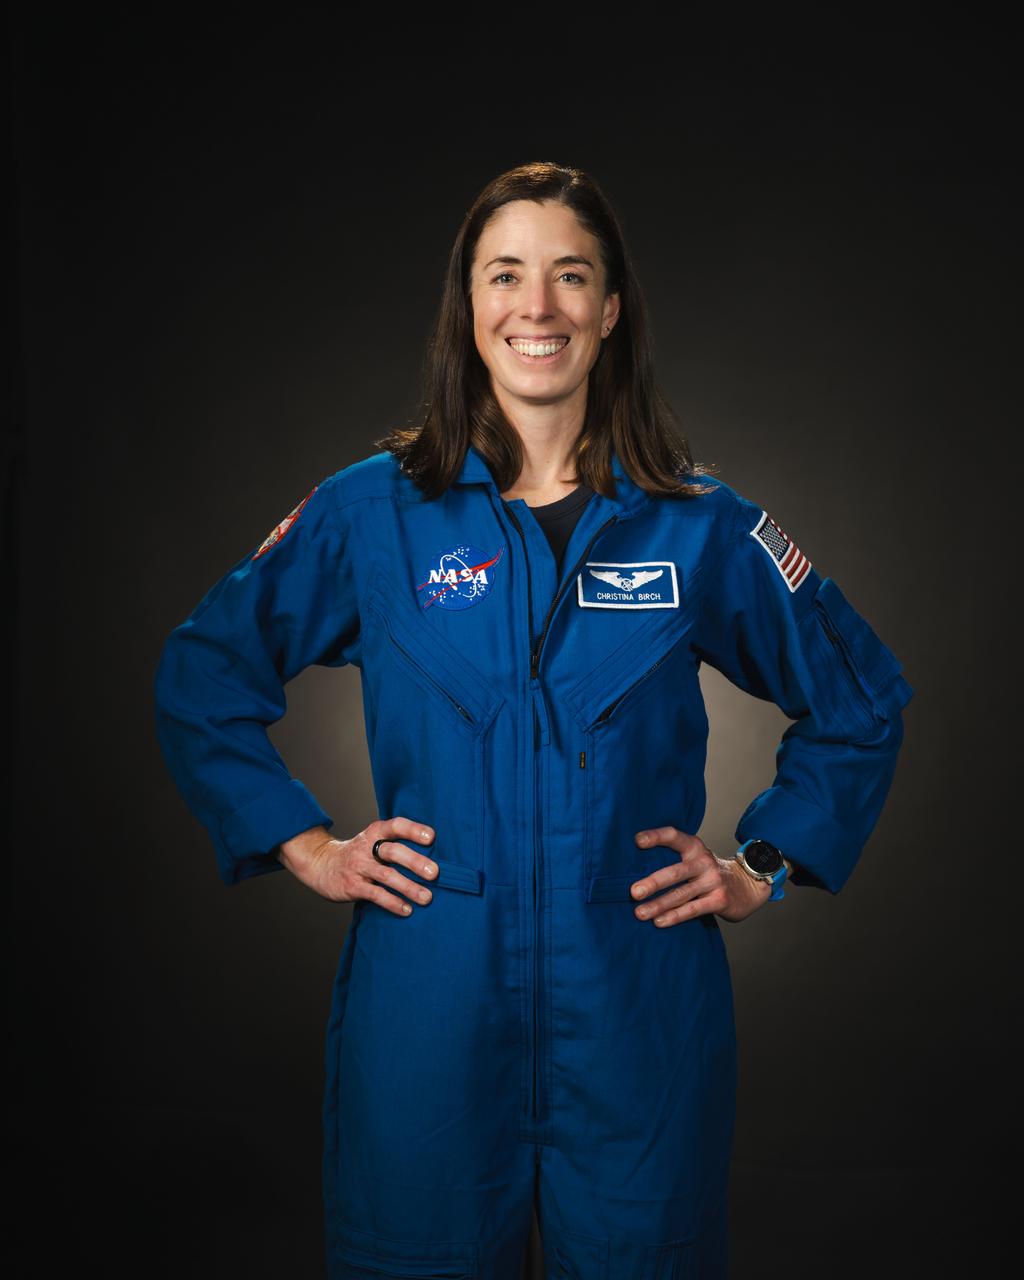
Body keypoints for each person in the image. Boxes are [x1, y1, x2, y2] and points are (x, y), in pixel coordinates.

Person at [153, 161, 914, 1279]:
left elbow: (863, 697)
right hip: (429, 998)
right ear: (471, 307)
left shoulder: (697, 526)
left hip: (637, 1004)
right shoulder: (373, 510)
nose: (537, 306)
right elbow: (203, 671)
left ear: (610, 312)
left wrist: (762, 860)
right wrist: (305, 842)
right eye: (506, 275)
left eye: (570, 277)